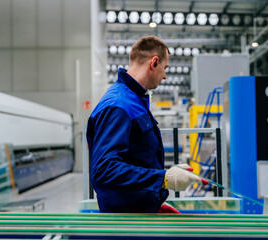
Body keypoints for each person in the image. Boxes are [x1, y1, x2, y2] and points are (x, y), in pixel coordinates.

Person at [86, 36, 208, 213]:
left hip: (137, 211)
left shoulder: (133, 100)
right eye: (165, 68)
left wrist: (152, 204)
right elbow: (104, 170)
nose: (165, 76)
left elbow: (136, 157)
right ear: (154, 62)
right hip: (125, 221)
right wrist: (163, 179)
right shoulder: (119, 105)